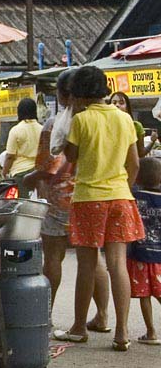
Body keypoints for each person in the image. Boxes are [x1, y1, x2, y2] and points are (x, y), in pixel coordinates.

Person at [54, 66, 143, 352]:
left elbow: (70, 156)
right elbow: (134, 163)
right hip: (120, 197)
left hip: (88, 198)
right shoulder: (124, 118)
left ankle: (79, 327)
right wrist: (123, 188)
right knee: (118, 264)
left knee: (87, 264)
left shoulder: (81, 120)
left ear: (79, 93)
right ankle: (122, 332)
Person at [24, 69, 110, 331]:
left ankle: (46, 316)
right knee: (94, 259)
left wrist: (29, 179)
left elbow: (48, 167)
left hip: (59, 199)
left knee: (53, 257)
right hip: (93, 196)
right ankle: (103, 316)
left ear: (63, 95)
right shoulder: (102, 118)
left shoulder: (55, 124)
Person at [126, 157, 161, 344]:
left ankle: (151, 332)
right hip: (159, 256)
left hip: (139, 254)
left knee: (144, 294)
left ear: (137, 177)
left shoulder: (134, 197)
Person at [3, 98, 43, 197]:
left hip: (21, 175)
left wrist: (4, 173)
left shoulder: (16, 130)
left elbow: (10, 156)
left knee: (22, 203)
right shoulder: (42, 129)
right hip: (38, 173)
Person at [109, 91, 148, 158]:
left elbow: (141, 153)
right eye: (114, 103)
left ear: (127, 107)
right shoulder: (104, 126)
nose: (117, 105)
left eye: (121, 103)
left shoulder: (136, 126)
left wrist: (152, 141)